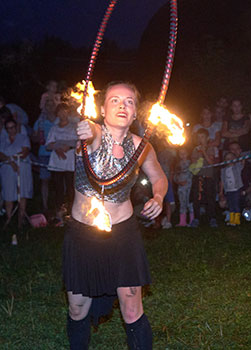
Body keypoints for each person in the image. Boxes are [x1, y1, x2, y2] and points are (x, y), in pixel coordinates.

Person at [64, 81, 166, 350]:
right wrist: (86, 130)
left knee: (132, 308)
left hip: (123, 233)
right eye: (115, 100)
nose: (123, 105)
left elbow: (159, 177)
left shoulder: (142, 146)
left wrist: (158, 196)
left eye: (129, 101)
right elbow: (91, 134)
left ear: (135, 113)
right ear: (102, 108)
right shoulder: (93, 136)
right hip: (84, 235)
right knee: (77, 309)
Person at [46, 103, 78, 227]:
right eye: (60, 112)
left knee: (71, 187)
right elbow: (48, 144)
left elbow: (78, 142)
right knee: (58, 188)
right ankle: (58, 214)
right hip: (57, 162)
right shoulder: (54, 128)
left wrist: (68, 146)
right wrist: (57, 148)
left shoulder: (73, 127)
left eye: (65, 111)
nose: (62, 114)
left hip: (69, 161)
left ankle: (71, 213)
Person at [0, 117, 32, 231]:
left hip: (22, 168)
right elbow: (0, 155)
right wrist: (10, 161)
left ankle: (21, 219)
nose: (11, 130)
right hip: (7, 170)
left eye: (12, 127)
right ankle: (9, 217)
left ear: (16, 127)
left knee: (22, 192)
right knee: (8, 192)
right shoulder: (4, 140)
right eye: (8, 128)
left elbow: (25, 152)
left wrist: (15, 158)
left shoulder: (23, 138)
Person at [189, 128, 219, 228]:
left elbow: (211, 162)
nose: (200, 139)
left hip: (208, 177)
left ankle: (212, 218)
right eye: (198, 137)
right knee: (196, 198)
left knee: (210, 198)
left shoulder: (210, 148)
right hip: (198, 177)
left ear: (207, 138)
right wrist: (198, 154)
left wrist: (203, 152)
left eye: (202, 137)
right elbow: (193, 162)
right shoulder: (194, 149)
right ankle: (196, 218)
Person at [33, 97, 58, 213]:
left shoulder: (59, 120)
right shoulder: (40, 121)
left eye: (52, 104)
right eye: (47, 105)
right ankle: (45, 206)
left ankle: (59, 205)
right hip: (44, 153)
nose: (50, 107)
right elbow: (34, 137)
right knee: (44, 180)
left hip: (58, 154)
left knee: (59, 180)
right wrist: (38, 136)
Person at [219, 151, 244, 226]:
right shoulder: (223, 170)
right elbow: (222, 181)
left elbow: (243, 162)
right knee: (230, 205)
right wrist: (221, 192)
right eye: (227, 158)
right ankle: (232, 219)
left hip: (236, 189)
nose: (229, 160)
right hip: (228, 190)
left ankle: (236, 220)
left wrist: (239, 155)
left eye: (231, 158)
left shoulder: (237, 167)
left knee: (236, 204)